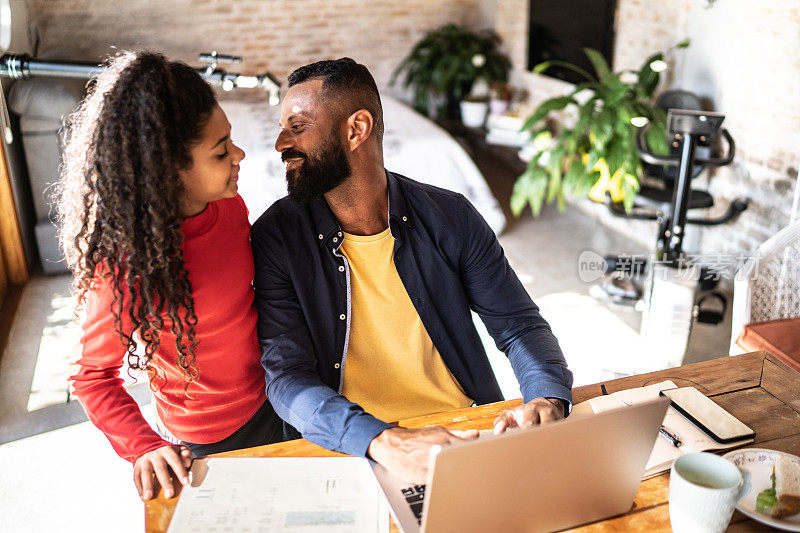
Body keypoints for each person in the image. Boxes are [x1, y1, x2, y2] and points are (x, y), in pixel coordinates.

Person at [251, 57, 573, 484]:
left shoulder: (450, 216)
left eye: (297, 127)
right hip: (354, 446)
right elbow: (286, 377)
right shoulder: (278, 237)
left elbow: (518, 325)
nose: (280, 144)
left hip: (463, 434)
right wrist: (384, 442)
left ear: (356, 129)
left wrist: (548, 396)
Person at [60, 51, 284, 501]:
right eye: (221, 152)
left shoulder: (228, 204)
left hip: (279, 396)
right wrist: (143, 445)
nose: (239, 155)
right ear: (167, 170)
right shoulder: (125, 264)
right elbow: (91, 376)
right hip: (208, 436)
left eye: (231, 140)